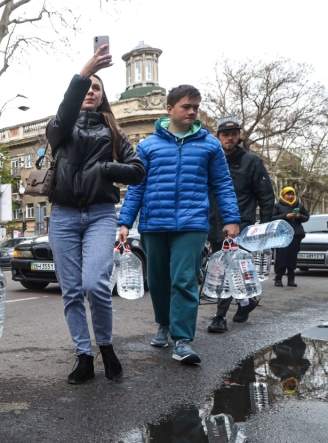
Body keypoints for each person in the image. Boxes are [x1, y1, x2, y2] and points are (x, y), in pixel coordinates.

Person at [118, 85, 241, 365]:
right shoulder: (148, 146)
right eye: (186, 106)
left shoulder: (210, 145)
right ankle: (164, 324)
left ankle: (183, 340)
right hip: (153, 224)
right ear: (170, 109)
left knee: (184, 280)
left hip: (192, 223)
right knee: (159, 281)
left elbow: (222, 183)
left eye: (196, 106)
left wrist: (232, 218)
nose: (192, 111)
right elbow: (136, 187)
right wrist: (125, 222)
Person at [44, 46, 144, 385]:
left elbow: (138, 169)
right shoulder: (61, 129)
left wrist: (105, 168)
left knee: (94, 285)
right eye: (86, 87)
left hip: (101, 215)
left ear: (103, 97)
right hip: (63, 216)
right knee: (71, 290)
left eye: (96, 88)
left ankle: (106, 346)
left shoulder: (114, 130)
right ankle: (83, 355)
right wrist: (84, 72)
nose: (90, 91)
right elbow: (61, 117)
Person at [206, 116, 275, 333]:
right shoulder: (211, 160)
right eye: (225, 134)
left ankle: (220, 316)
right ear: (218, 137)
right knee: (223, 269)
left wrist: (263, 229)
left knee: (232, 270)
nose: (230, 137)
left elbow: (266, 197)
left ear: (239, 136)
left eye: (234, 133)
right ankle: (246, 302)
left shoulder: (252, 162)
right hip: (215, 225)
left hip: (243, 227)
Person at [272, 187, 310, 287]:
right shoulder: (277, 205)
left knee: (292, 257)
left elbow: (306, 217)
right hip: (282, 235)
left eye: (292, 194)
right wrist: (285, 216)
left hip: (296, 235)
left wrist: (299, 217)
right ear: (283, 195)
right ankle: (278, 278)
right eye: (288, 194)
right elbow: (271, 218)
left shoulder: (299, 205)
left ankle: (291, 279)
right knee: (282, 257)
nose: (290, 196)